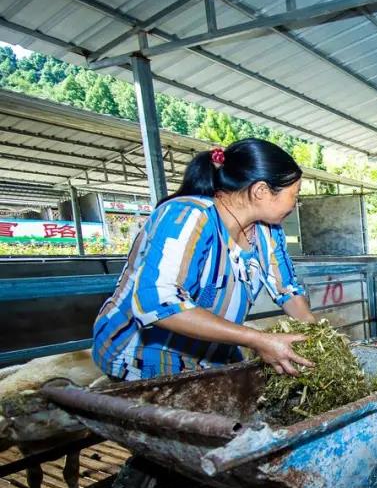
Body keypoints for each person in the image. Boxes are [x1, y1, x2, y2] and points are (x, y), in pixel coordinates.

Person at [93, 138, 316, 381]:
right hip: (144, 359)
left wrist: (316, 336)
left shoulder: (267, 230)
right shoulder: (189, 216)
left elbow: (287, 289)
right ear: (261, 191)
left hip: (209, 355)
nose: (296, 203)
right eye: (294, 195)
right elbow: (156, 302)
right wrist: (257, 339)